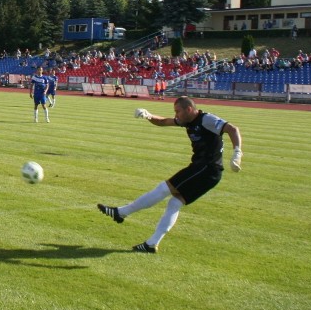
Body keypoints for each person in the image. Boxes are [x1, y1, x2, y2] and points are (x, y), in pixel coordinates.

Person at [97, 96, 243, 254]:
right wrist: (148, 115)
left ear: (189, 109)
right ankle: (152, 243)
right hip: (206, 172)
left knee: (164, 188)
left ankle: (121, 212)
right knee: (174, 203)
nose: (176, 115)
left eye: (178, 111)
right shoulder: (187, 120)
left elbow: (232, 129)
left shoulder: (206, 119)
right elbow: (163, 122)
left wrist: (237, 153)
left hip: (206, 168)